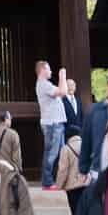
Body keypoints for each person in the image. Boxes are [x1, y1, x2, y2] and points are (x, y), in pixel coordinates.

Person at [35, 61, 70, 190]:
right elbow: (63, 92)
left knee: (61, 153)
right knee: (51, 153)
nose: (51, 72)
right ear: (43, 70)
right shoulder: (43, 85)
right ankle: (47, 182)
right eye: (49, 69)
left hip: (56, 123)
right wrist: (62, 76)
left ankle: (59, 179)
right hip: (52, 124)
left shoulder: (45, 84)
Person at [54, 129, 91, 215]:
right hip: (87, 183)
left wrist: (59, 185)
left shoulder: (66, 149)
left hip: (73, 187)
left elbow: (63, 170)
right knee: (86, 212)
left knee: (76, 214)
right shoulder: (87, 146)